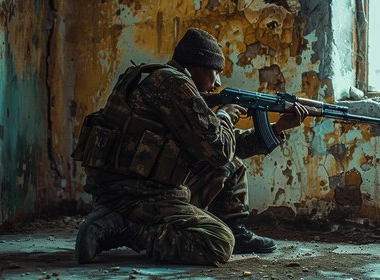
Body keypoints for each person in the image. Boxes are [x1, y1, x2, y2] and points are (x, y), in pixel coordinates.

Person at [72, 28, 309, 266]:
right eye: (215, 73)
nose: (217, 83)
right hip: (133, 196)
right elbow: (218, 150)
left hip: (138, 186)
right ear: (197, 66)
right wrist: (225, 117)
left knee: (231, 167)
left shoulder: (159, 78)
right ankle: (127, 229)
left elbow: (217, 149)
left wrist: (278, 128)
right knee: (218, 242)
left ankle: (235, 230)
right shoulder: (174, 84)